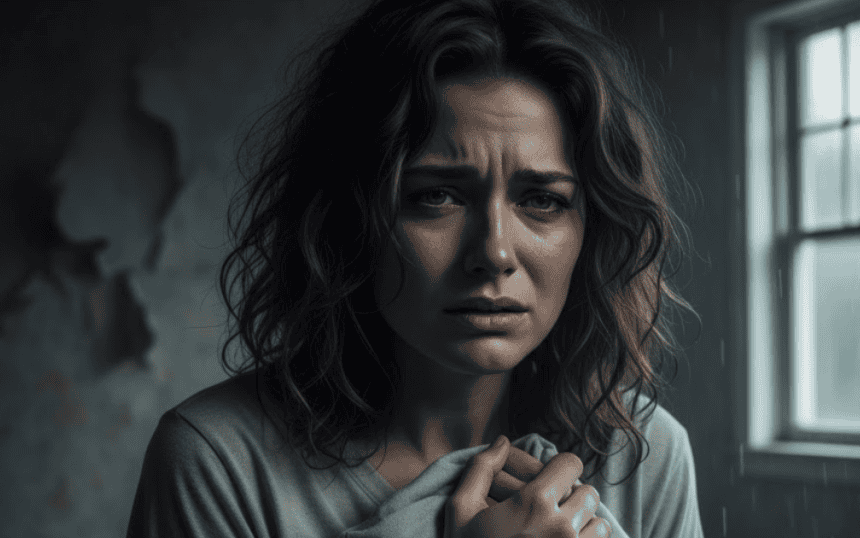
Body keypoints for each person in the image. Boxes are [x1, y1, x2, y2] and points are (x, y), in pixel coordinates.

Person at [126, 0, 704, 536]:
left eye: (543, 200)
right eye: (437, 197)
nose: (496, 253)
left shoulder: (644, 455)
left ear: (591, 228)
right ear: (350, 218)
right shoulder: (218, 461)